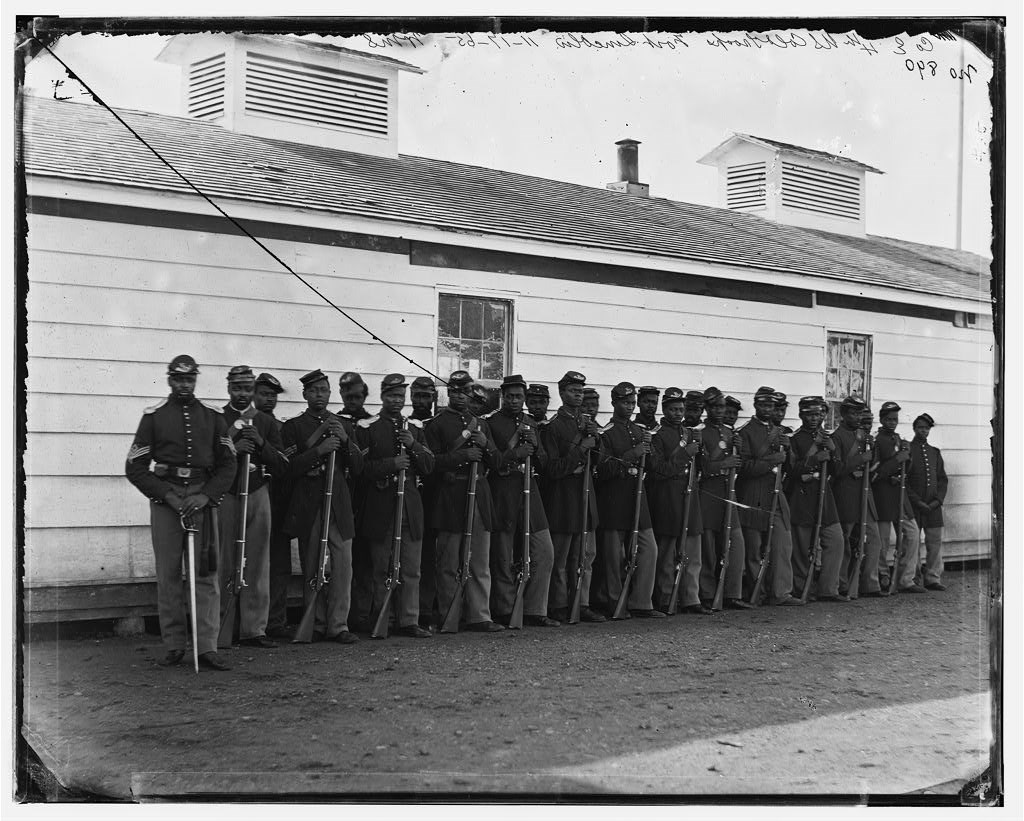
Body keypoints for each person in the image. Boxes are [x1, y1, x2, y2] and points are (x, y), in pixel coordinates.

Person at [125, 355, 236, 670]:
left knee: (205, 574)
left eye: (189, 379)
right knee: (169, 575)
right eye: (178, 379)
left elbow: (228, 463)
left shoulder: (213, 417)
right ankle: (174, 645)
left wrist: (207, 495)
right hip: (167, 502)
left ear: (196, 380)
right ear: (169, 379)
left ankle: (207, 647)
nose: (184, 384)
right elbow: (134, 467)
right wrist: (167, 496)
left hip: (201, 499)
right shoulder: (154, 417)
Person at [280, 369, 364, 644]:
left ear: (331, 394)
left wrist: (346, 440)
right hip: (310, 501)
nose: (319, 395)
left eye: (324, 391)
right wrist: (319, 450)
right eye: (314, 391)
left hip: (338, 501)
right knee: (313, 563)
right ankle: (315, 622)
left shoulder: (344, 424)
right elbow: (288, 468)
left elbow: (359, 467)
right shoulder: (293, 427)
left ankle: (338, 624)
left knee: (343, 565)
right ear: (305, 394)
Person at [354, 374, 435, 638]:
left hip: (410, 506)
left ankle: (409, 620)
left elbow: (428, 465)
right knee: (381, 568)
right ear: (382, 396)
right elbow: (360, 469)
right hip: (381, 506)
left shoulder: (415, 428)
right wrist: (391, 465)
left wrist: (413, 445)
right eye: (391, 395)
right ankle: (383, 620)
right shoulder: (368, 428)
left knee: (411, 568)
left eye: (400, 396)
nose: (396, 401)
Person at [424, 370, 503, 632]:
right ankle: (450, 615)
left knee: (479, 560)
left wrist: (486, 445)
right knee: (449, 561)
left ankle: (480, 615)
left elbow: (497, 462)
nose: (460, 396)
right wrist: (462, 456)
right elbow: (431, 463)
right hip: (451, 496)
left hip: (479, 495)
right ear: (449, 392)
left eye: (465, 391)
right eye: (455, 391)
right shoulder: (436, 425)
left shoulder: (481, 424)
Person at [217, 366, 288, 648]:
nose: (242, 394)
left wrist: (260, 443)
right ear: (229, 388)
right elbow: (210, 461)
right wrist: (234, 447)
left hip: (258, 493)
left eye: (247, 388)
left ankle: (254, 629)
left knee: (258, 563)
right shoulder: (218, 419)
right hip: (227, 494)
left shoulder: (266, 423)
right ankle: (224, 625)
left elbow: (282, 464)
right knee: (225, 560)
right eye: (237, 388)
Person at [484, 375, 560, 627]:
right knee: (503, 554)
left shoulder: (531, 423)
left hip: (530, 490)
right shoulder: (491, 422)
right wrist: (516, 452)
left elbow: (545, 464)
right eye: (510, 396)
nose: (515, 401)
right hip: (503, 491)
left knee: (544, 550)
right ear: (503, 396)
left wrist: (536, 447)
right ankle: (505, 609)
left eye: (519, 396)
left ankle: (535, 609)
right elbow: (492, 462)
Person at [594, 382, 666, 618]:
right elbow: (602, 470)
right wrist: (631, 456)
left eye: (632, 403)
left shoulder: (638, 431)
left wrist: (649, 449)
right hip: (615, 500)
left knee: (649, 549)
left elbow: (654, 466)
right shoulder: (606, 433)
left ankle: (641, 602)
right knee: (614, 557)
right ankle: (615, 603)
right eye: (625, 402)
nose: (630, 407)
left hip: (638, 498)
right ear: (614, 402)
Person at [539, 371, 606, 623]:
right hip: (564, 501)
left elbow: (600, 461)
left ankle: (583, 602)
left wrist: (595, 440)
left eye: (580, 391)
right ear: (562, 392)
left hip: (585, 498)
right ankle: (558, 604)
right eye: (572, 390)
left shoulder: (587, 424)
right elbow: (553, 469)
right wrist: (581, 449)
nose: (578, 395)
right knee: (561, 559)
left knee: (586, 557)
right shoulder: (554, 426)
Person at [735, 387, 802, 606]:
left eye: (771, 406)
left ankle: (781, 592)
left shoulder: (780, 431)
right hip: (753, 494)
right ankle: (757, 594)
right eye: (763, 405)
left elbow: (791, 469)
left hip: (775, 493)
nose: (767, 409)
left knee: (783, 543)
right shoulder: (745, 432)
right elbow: (744, 467)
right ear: (755, 405)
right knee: (754, 548)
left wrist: (788, 451)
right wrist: (773, 459)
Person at [647, 387, 709, 614]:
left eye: (680, 409)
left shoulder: (690, 432)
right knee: (667, 554)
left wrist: (700, 450)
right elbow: (658, 469)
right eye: (673, 409)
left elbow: (703, 467)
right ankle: (665, 598)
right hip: (668, 499)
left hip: (690, 498)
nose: (677, 413)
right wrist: (685, 454)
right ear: (664, 409)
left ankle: (691, 598)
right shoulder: (657, 434)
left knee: (692, 552)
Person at [786, 397, 847, 602]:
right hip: (802, 497)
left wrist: (833, 450)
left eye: (819, 414)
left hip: (824, 495)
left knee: (835, 539)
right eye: (810, 414)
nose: (815, 418)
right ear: (802, 415)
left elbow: (838, 471)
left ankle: (829, 588)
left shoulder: (827, 438)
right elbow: (792, 470)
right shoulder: (794, 439)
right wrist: (814, 457)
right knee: (802, 546)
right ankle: (802, 589)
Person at [697, 387, 751, 610]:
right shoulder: (701, 433)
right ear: (707, 409)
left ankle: (732, 592)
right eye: (715, 407)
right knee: (709, 546)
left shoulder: (731, 434)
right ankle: (709, 593)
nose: (720, 411)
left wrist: (740, 451)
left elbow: (742, 465)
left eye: (722, 407)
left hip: (729, 491)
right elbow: (702, 467)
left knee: (735, 544)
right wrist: (723, 464)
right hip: (709, 492)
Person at [829, 396, 886, 599]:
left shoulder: (865, 437)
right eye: (853, 413)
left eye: (859, 413)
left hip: (865, 495)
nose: (857, 417)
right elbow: (837, 469)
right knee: (845, 541)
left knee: (874, 540)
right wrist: (861, 459)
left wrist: (871, 452)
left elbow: (874, 465)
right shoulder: (837, 437)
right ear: (843, 415)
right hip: (847, 495)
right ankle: (843, 584)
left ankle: (869, 584)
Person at [253, 372, 294, 639]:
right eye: (263, 393)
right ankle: (249, 622)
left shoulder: (282, 429)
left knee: (279, 564)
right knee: (253, 562)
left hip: (278, 502)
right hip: (253, 500)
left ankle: (275, 621)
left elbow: (288, 463)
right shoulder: (246, 423)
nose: (268, 399)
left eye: (272, 395)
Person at [872, 401, 925, 593]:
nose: (892, 422)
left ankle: (905, 578)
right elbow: (875, 472)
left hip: (900, 496)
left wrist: (906, 457)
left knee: (912, 534)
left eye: (895, 419)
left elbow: (906, 468)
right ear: (881, 420)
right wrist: (897, 460)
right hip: (884, 496)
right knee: (882, 541)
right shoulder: (877, 441)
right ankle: (883, 576)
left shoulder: (898, 439)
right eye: (888, 419)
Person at [907, 413, 948, 591]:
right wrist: (916, 501)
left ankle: (932, 577)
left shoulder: (934, 452)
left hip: (933, 507)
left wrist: (937, 501)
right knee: (913, 543)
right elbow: (905, 481)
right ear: (914, 429)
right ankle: (913, 577)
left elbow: (942, 480)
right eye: (920, 428)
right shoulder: (907, 449)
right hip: (914, 506)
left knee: (934, 542)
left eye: (926, 428)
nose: (923, 431)